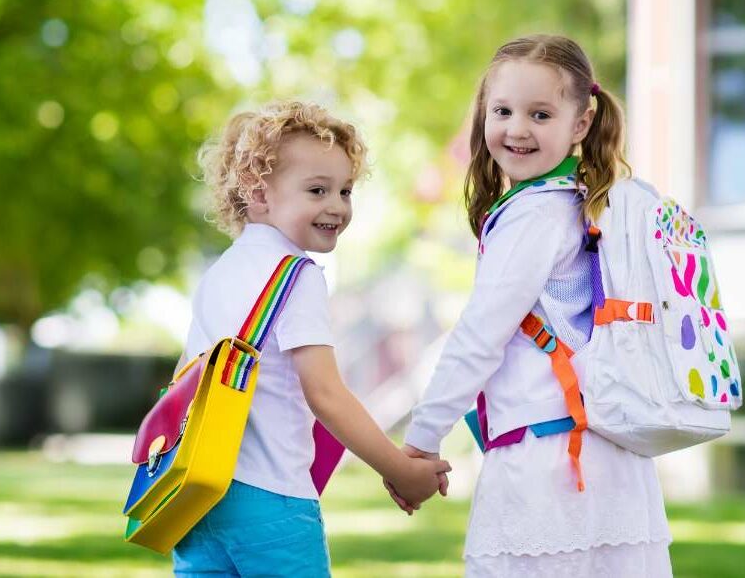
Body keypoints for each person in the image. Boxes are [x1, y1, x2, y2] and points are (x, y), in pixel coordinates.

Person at [399, 35, 673, 576]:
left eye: (540, 114)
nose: (517, 128)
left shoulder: (533, 214)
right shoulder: (590, 201)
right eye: (502, 111)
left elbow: (480, 338)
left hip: (548, 466)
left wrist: (419, 443)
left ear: (581, 123)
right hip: (609, 455)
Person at [174, 100, 450, 577]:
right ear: (258, 194)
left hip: (198, 498)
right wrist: (400, 469)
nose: (337, 207)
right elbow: (325, 393)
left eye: (345, 190)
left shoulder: (220, 273)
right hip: (272, 499)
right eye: (317, 190)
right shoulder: (296, 275)